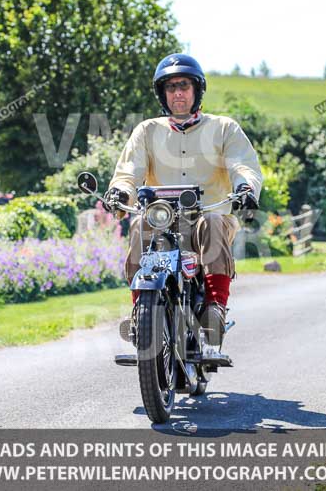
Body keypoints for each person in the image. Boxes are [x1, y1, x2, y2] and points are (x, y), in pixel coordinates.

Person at [104, 53, 262, 351]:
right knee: (139, 224)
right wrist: (120, 191)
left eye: (184, 85)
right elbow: (129, 172)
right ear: (162, 94)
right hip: (162, 217)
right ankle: (141, 312)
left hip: (210, 214)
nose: (178, 92)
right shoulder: (147, 131)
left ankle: (215, 310)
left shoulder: (224, 128)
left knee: (214, 223)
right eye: (171, 86)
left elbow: (243, 165)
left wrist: (245, 188)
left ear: (197, 90)